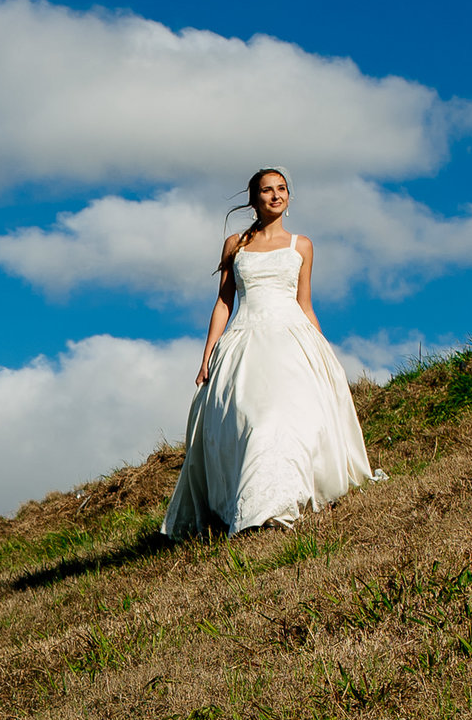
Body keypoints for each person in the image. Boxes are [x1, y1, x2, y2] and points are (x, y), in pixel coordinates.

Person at [163, 167, 382, 537]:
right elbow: (223, 302)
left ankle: (282, 502)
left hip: (291, 337)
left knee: (287, 417)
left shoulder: (302, 245)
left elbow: (305, 303)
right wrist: (207, 355)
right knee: (253, 419)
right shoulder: (236, 244)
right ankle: (252, 503)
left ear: (289, 197)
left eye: (282, 189)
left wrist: (323, 352)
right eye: (267, 190)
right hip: (246, 341)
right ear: (254, 199)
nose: (276, 195)